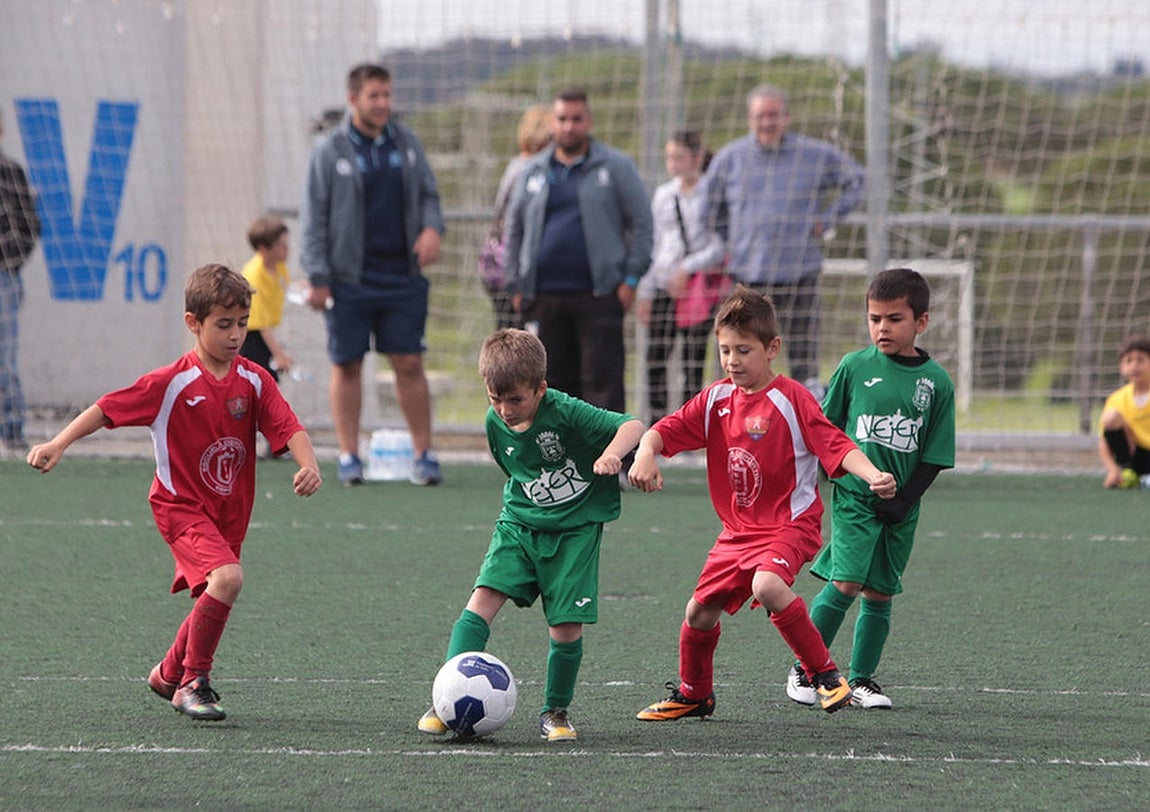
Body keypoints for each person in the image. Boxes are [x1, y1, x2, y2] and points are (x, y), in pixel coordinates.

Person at [26, 263, 323, 721]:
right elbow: (107, 409)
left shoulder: (255, 379)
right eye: (223, 325)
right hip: (180, 506)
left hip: (230, 510)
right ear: (193, 323)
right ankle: (192, 682)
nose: (236, 334)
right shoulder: (172, 382)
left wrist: (310, 465)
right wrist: (58, 443)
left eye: (242, 324)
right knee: (228, 579)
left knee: (216, 587)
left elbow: (288, 425)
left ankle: (167, 673)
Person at [628, 286, 897, 721]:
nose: (732, 361)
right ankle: (695, 694)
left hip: (789, 525)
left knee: (767, 586)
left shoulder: (792, 398)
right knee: (698, 612)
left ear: (772, 349)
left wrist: (873, 476)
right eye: (725, 350)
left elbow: (836, 444)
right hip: (736, 533)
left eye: (744, 350)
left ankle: (825, 676)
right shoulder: (716, 398)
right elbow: (665, 429)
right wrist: (644, 453)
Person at [417, 328, 644, 741]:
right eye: (494, 399)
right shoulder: (494, 422)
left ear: (541, 388)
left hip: (574, 534)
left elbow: (633, 425)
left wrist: (612, 453)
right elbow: (516, 473)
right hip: (519, 526)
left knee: (566, 627)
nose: (504, 410)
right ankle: (446, 698)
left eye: (515, 400)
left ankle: (555, 711)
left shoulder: (566, 411)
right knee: (481, 601)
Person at [784, 268, 955, 711]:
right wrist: (829, 475)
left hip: (902, 505)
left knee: (880, 591)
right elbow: (824, 427)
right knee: (847, 581)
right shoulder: (854, 366)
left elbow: (935, 453)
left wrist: (906, 498)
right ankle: (806, 667)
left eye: (894, 319)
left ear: (921, 322)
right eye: (875, 318)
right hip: (856, 497)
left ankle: (861, 680)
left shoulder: (936, 383)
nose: (883, 328)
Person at [301, 62, 446, 487]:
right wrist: (317, 274)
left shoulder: (408, 144)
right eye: (374, 96)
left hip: (402, 277)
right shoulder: (329, 151)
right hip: (348, 281)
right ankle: (348, 455)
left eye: (387, 95)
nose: (383, 104)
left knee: (408, 361)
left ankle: (424, 454)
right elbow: (313, 219)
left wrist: (432, 229)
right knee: (346, 364)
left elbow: (430, 197)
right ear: (354, 99)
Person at [700, 84, 864, 397]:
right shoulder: (730, 158)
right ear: (750, 119)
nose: (767, 122)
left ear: (787, 117)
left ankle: (802, 430)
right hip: (747, 277)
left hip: (799, 273)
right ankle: (734, 426)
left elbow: (857, 180)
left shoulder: (813, 154)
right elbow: (708, 210)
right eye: (761, 116)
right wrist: (733, 241)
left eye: (774, 115)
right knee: (738, 356)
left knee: (804, 360)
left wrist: (827, 220)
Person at [503, 87, 653, 424]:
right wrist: (515, 284)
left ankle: (612, 464)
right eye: (562, 119)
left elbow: (643, 225)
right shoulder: (533, 170)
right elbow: (512, 230)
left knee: (603, 384)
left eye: (576, 119)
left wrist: (630, 279)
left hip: (600, 295)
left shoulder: (615, 167)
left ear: (589, 121)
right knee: (551, 386)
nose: (569, 126)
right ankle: (559, 465)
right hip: (543, 297)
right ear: (552, 123)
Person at [637, 130, 725, 422]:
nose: (672, 164)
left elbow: (720, 244)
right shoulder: (664, 195)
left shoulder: (712, 194)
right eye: (669, 157)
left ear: (697, 158)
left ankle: (691, 425)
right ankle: (658, 424)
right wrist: (647, 290)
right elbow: (656, 244)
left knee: (693, 359)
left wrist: (687, 268)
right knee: (657, 358)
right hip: (664, 285)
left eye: (679, 157)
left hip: (696, 288)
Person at [483, 104, 551, 330]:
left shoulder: (519, 165)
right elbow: (513, 225)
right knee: (515, 339)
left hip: (505, 266)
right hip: (512, 268)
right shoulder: (528, 169)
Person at [0, 109, 41, 455]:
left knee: (4, 359)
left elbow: (29, 225)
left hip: (3, 277)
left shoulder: (10, 172)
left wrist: (10, 261)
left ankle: (11, 430)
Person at [239, 215, 293, 381]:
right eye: (281, 246)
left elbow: (286, 286)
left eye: (287, 244)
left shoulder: (279, 265)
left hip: (265, 333)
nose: (287, 249)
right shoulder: (254, 276)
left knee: (267, 383)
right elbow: (261, 325)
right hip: (251, 336)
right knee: (259, 381)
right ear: (263, 249)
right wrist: (279, 355)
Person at [1098, 333, 1150, 489]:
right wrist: (1112, 470)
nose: (1134, 366)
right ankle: (1128, 471)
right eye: (1128, 361)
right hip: (1137, 454)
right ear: (1121, 367)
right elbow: (1103, 441)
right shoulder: (1116, 399)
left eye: (1141, 360)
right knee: (1110, 417)